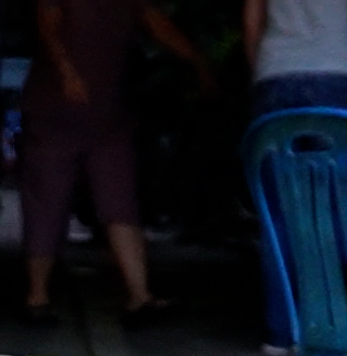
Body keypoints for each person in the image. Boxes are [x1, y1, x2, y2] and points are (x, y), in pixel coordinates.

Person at [19, 0, 212, 325]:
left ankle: (140, 295)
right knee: (47, 201)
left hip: (108, 115)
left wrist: (196, 61)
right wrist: (68, 73)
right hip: (55, 114)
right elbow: (47, 27)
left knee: (119, 202)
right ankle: (37, 295)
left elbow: (157, 23)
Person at [244, 0, 347, 352]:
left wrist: (260, 72)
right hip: (336, 76)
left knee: (278, 212)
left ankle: (282, 333)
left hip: (275, 78)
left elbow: (252, 21)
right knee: (339, 206)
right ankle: (340, 329)